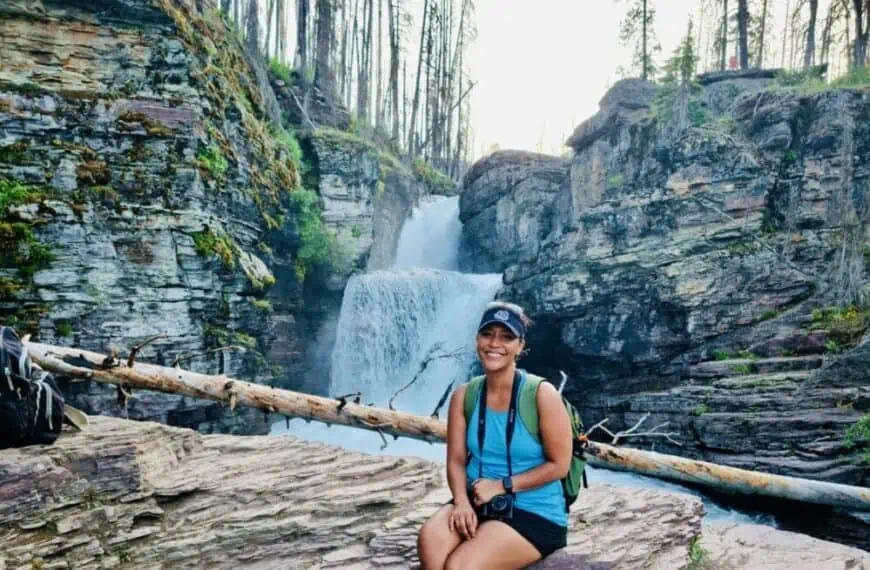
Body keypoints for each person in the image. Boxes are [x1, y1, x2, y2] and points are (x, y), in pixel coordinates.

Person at [417, 301, 573, 570]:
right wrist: (462, 502)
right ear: (478, 339)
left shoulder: (540, 395)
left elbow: (560, 465)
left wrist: (501, 486)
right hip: (476, 501)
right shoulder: (464, 396)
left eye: (506, 337)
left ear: (520, 346)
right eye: (488, 334)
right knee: (430, 542)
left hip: (533, 511)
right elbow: (455, 460)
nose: (494, 344)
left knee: (460, 566)